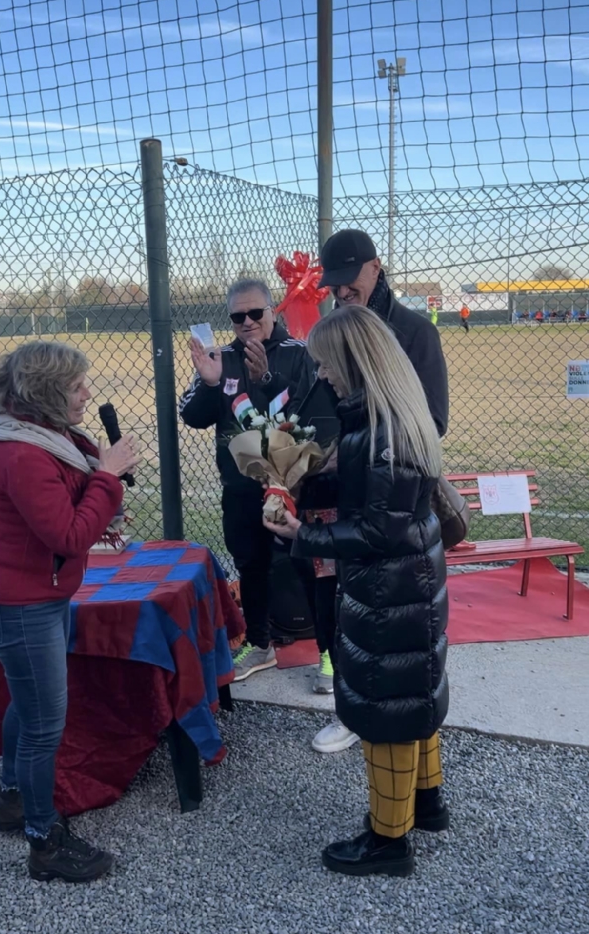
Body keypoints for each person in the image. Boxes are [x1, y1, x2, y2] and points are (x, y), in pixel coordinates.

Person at [264, 306, 449, 878]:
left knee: (384, 705)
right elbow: (383, 504)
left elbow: (376, 530)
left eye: (325, 364)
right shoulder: (396, 418)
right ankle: (426, 801)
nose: (322, 376)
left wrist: (304, 533)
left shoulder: (380, 435)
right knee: (413, 689)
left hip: (389, 587)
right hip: (413, 582)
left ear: (352, 361)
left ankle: (388, 840)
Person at [0, 341, 140, 883]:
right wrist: (109, 477)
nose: (88, 394)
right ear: (48, 394)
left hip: (44, 597)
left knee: (29, 709)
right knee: (45, 725)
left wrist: (99, 470)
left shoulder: (50, 439)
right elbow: (70, 534)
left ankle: (8, 798)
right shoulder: (21, 454)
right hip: (23, 606)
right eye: (77, 387)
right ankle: (44, 842)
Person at [292, 229, 449, 752]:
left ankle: (388, 820)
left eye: (348, 280)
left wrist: (360, 453)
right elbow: (331, 408)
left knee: (389, 660)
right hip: (363, 500)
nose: (339, 292)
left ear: (376, 268)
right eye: (331, 284)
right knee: (366, 628)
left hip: (390, 514)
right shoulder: (334, 330)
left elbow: (429, 424)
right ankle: (354, 700)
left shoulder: (414, 333)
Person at [179, 279, 314, 683]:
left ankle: (327, 649)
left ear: (273, 311)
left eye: (256, 313)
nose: (248, 322)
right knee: (250, 564)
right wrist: (208, 382)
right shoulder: (221, 358)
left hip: (295, 486)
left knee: (309, 562)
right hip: (240, 487)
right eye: (238, 316)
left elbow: (315, 412)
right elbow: (193, 416)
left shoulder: (299, 354)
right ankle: (260, 645)